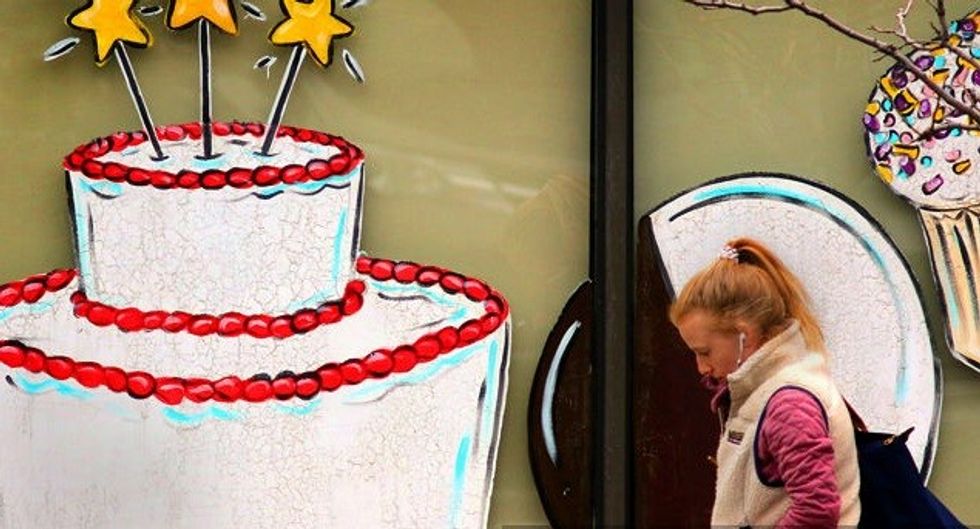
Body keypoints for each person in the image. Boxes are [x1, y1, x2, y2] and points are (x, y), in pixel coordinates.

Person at [669, 237, 861, 528]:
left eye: (705, 352)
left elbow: (817, 511)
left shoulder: (789, 404)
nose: (701, 367)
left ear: (743, 334)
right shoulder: (779, 387)